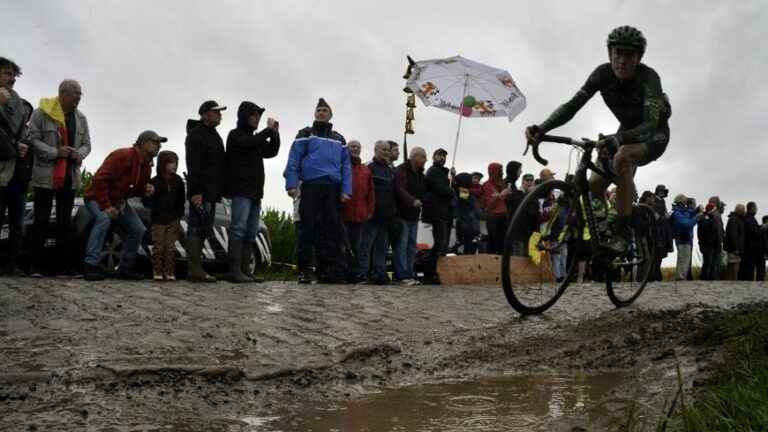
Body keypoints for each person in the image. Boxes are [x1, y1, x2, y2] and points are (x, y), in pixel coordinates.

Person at [526, 26, 671, 255]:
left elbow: (650, 124)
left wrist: (619, 139)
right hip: (624, 132)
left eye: (629, 55)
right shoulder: (602, 74)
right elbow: (572, 106)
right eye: (617, 53)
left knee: (623, 157)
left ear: (639, 58)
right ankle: (604, 228)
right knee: (594, 184)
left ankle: (622, 232)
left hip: (654, 135)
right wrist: (542, 128)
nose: (622, 60)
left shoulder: (649, 78)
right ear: (609, 54)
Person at [28, 79, 92, 277]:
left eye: (80, 94)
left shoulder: (81, 118)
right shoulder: (42, 112)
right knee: (41, 221)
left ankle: (63, 267)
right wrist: (56, 152)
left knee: (65, 224)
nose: (79, 98)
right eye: (76, 93)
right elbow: (32, 140)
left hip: (70, 178)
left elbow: (87, 144)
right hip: (45, 177)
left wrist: (78, 153)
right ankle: (35, 267)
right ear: (63, 93)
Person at [284, 98, 351, 284]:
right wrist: (292, 184)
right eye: (319, 110)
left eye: (324, 110)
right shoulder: (305, 133)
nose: (321, 113)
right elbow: (294, 158)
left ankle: (327, 271)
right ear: (315, 114)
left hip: (332, 189)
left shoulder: (339, 139)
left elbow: (346, 166)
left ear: (330, 115)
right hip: (311, 186)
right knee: (307, 229)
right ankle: (304, 270)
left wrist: (346, 190)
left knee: (331, 230)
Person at [82, 131, 162, 281]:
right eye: (155, 142)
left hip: (119, 202)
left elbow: (134, 189)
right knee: (104, 219)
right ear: (143, 143)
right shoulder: (122, 155)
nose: (159, 146)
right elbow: (100, 179)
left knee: (138, 229)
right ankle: (90, 265)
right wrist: (106, 206)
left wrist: (145, 190)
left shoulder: (146, 166)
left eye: (160, 143)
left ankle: (124, 268)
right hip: (96, 197)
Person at [224, 101, 281, 283]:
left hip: (256, 192)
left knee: (250, 232)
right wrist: (267, 131)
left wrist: (275, 134)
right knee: (239, 229)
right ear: (244, 117)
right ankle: (234, 271)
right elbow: (250, 142)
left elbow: (271, 151)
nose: (257, 119)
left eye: (259, 116)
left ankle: (245, 270)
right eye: (254, 116)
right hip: (241, 191)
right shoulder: (236, 135)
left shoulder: (255, 139)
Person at [185, 100, 227, 283]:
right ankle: (194, 269)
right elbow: (193, 165)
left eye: (219, 112)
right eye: (215, 112)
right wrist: (195, 191)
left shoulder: (215, 136)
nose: (220, 115)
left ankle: (197, 268)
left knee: (203, 229)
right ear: (204, 114)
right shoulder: (196, 135)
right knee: (196, 229)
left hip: (211, 193)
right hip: (200, 192)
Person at [0, 57, 33, 276]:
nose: (12, 79)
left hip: (16, 171)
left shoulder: (19, 101)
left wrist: (22, 144)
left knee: (17, 222)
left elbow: (23, 132)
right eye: (7, 74)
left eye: (14, 75)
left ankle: (11, 264)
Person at [357, 141, 398, 284]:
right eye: (383, 149)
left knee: (382, 248)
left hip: (386, 217)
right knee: (365, 246)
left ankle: (379, 274)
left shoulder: (391, 170)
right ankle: (362, 274)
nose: (386, 152)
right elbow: (363, 192)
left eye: (388, 150)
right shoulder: (369, 167)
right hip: (371, 215)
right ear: (375, 150)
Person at [144, 150, 185, 281]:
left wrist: (178, 216)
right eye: (171, 162)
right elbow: (147, 201)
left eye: (176, 162)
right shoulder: (154, 181)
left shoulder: (178, 181)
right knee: (159, 247)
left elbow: (181, 200)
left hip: (173, 220)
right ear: (163, 163)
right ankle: (157, 271)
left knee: (170, 247)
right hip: (158, 220)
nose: (174, 165)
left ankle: (169, 271)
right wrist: (149, 195)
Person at [343, 140, 375, 282]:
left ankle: (354, 275)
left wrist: (369, 211)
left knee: (356, 247)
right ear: (347, 149)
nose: (355, 149)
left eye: (357, 147)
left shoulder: (366, 170)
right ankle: (341, 273)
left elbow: (371, 194)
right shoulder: (342, 166)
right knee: (343, 246)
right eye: (352, 146)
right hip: (343, 214)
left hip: (359, 215)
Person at [422, 148, 455, 283]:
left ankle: (435, 271)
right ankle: (429, 272)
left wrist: (453, 177)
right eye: (440, 155)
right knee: (439, 243)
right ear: (434, 156)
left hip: (443, 212)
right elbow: (440, 189)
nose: (442, 158)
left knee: (442, 244)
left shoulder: (443, 172)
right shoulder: (433, 171)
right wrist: (450, 191)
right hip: (436, 212)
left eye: (444, 156)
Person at [395, 146, 427, 284]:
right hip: (402, 214)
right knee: (402, 245)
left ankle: (410, 273)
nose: (425, 160)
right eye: (423, 157)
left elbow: (424, 191)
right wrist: (412, 200)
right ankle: (402, 275)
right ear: (415, 157)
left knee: (411, 245)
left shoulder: (421, 174)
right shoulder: (402, 170)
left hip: (414, 215)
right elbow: (399, 189)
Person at [670, 194, 700, 281]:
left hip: (685, 238)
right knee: (683, 258)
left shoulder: (682, 211)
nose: (686, 204)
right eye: (684, 202)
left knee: (684, 258)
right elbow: (686, 224)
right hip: (682, 238)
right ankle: (680, 277)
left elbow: (690, 213)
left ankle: (682, 276)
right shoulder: (677, 213)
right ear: (681, 203)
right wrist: (696, 217)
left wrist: (696, 210)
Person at [480, 162, 509, 254]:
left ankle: (501, 264)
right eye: (500, 171)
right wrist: (500, 195)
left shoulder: (503, 184)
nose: (502, 173)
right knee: (493, 241)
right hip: (493, 217)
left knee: (503, 242)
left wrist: (506, 194)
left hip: (503, 215)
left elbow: (505, 200)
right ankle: (491, 263)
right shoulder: (486, 185)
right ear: (494, 172)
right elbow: (489, 204)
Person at [454, 172, 482, 254]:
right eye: (470, 180)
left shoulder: (458, 191)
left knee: (465, 249)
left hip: (462, 225)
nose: (472, 181)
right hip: (471, 226)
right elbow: (478, 211)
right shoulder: (465, 193)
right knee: (470, 250)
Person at [739, 202, 765, 281]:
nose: (757, 209)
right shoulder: (749, 219)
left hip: (751, 249)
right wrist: (762, 228)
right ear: (752, 208)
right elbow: (755, 233)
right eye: (756, 208)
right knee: (749, 270)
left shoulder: (750, 218)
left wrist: (760, 227)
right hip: (751, 249)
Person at [698, 203, 722, 281]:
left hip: (713, 245)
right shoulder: (706, 219)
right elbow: (705, 234)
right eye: (714, 210)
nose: (715, 212)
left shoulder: (711, 218)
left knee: (712, 263)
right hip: (708, 245)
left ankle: (711, 278)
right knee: (708, 263)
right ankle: (705, 278)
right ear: (711, 210)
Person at [724, 204, 746, 280]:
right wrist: (736, 248)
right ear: (739, 211)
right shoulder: (734, 219)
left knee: (731, 264)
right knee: (734, 265)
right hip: (733, 248)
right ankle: (733, 281)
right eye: (743, 210)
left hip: (733, 247)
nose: (745, 212)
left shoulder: (736, 219)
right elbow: (733, 235)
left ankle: (730, 281)